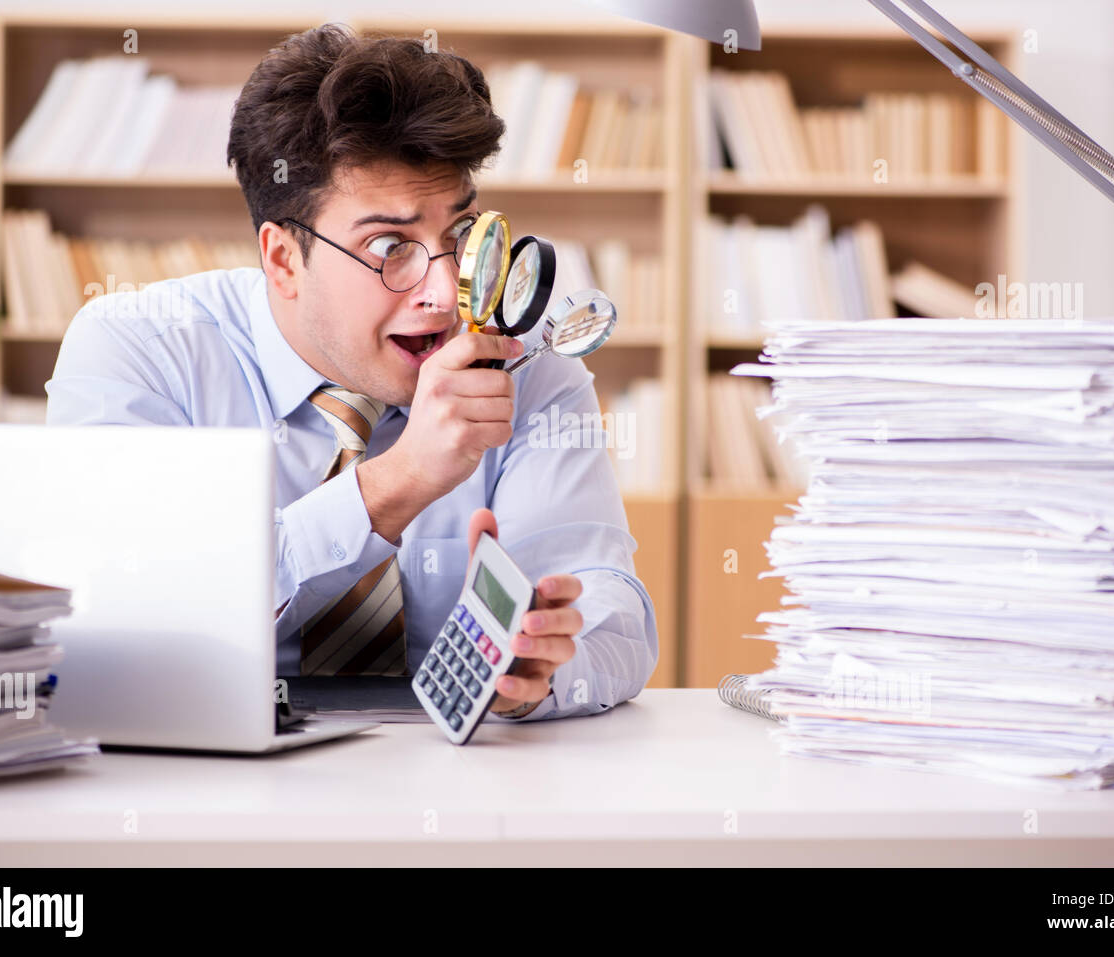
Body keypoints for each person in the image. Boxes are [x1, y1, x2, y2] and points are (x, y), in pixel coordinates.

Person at [45, 25, 658, 721]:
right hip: (204, 781)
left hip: (462, 783)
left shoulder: (525, 362)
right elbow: (121, 618)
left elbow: (610, 610)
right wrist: (395, 483)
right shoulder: (139, 349)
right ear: (282, 259)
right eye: (391, 245)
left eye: (460, 236)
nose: (445, 288)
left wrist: (543, 670)